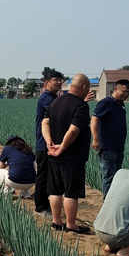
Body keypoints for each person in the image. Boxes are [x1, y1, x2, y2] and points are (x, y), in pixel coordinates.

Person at [41, 73, 92, 233]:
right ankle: (71, 224)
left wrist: (49, 143)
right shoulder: (81, 106)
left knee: (55, 189)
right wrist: (62, 147)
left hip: (53, 154)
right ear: (83, 87)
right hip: (72, 156)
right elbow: (74, 130)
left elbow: (45, 122)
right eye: (88, 88)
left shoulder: (55, 102)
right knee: (71, 192)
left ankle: (56, 222)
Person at [91, 79, 129, 197]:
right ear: (115, 89)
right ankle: (107, 204)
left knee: (116, 177)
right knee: (109, 176)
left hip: (118, 147)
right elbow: (94, 119)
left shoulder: (121, 104)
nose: (126, 94)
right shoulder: (106, 102)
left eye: (128, 92)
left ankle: (113, 202)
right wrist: (95, 139)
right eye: (123, 91)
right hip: (107, 147)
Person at [33, 67, 63, 217]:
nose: (59, 82)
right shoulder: (46, 98)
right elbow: (58, 111)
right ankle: (40, 207)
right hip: (43, 144)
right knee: (43, 176)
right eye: (55, 80)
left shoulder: (54, 97)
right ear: (46, 83)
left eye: (60, 80)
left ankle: (47, 204)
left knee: (49, 176)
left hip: (50, 144)